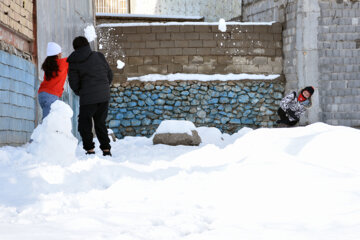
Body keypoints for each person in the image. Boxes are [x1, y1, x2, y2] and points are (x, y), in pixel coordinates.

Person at [67, 36, 113, 156]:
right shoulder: (99, 56)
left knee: (84, 123)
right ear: (87, 44)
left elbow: (73, 82)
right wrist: (105, 86)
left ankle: (90, 149)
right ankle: (106, 149)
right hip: (104, 96)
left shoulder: (74, 61)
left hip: (87, 97)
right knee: (100, 122)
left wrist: (80, 92)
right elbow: (109, 74)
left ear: (75, 47)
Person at [38, 42, 68, 119]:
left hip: (42, 94)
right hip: (51, 96)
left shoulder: (48, 64)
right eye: (60, 52)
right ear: (57, 54)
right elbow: (75, 58)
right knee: (48, 123)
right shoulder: (63, 63)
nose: (61, 54)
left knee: (49, 121)